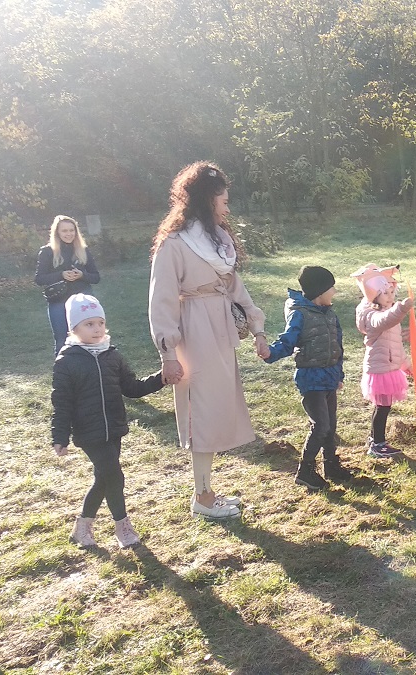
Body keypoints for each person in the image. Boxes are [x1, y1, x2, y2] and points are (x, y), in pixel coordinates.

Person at [148, 161, 269, 520]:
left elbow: (234, 287)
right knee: (200, 413)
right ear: (206, 199)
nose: (227, 209)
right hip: (194, 332)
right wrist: (168, 353)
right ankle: (202, 497)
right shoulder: (174, 243)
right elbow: (161, 301)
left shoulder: (218, 240)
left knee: (216, 410)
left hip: (220, 331)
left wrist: (258, 328)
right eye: (223, 201)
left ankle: (207, 490)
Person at [52, 294, 165, 549]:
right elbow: (61, 402)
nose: (97, 329)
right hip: (89, 433)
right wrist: (60, 436)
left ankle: (82, 528)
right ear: (74, 328)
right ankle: (122, 527)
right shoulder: (67, 361)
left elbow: (132, 388)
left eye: (100, 323)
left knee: (103, 479)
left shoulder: (112, 356)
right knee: (115, 476)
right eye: (89, 324)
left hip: (113, 428)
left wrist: (161, 378)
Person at [263, 266, 352, 490]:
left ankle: (331, 465)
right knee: (320, 425)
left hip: (329, 377)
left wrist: (339, 374)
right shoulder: (300, 314)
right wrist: (270, 353)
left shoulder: (330, 314)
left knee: (330, 426)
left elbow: (337, 346)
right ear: (320, 291)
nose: (334, 292)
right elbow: (288, 341)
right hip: (311, 379)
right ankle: (305, 471)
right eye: (331, 288)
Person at [352, 263, 411, 459]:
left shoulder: (387, 309)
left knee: (383, 406)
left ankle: (375, 440)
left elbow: (395, 344)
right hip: (380, 370)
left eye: (391, 292)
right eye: (385, 293)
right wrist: (401, 309)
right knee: (382, 407)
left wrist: (405, 364)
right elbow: (384, 320)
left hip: (389, 367)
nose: (390, 296)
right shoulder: (373, 316)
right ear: (374, 296)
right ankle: (377, 444)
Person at [35, 215, 101, 357]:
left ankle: (90, 367)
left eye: (72, 230)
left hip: (83, 300)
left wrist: (82, 275)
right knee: (62, 341)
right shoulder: (47, 252)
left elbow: (96, 277)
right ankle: (63, 369)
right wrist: (61, 275)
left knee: (89, 338)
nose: (69, 234)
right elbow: (39, 279)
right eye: (64, 231)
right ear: (57, 233)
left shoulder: (83, 250)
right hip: (58, 300)